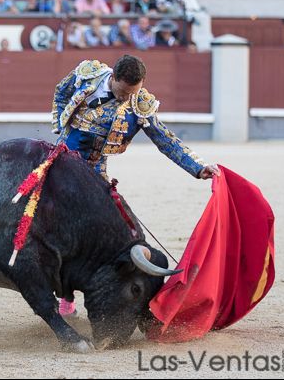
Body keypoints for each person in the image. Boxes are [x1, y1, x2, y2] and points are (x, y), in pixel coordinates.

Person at [51, 55, 219, 316]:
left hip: (95, 169)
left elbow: (166, 141)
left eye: (133, 92)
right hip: (61, 159)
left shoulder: (140, 105)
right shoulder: (89, 74)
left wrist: (198, 167)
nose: (126, 99)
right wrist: (59, 123)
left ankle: (78, 292)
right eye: (122, 92)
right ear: (114, 77)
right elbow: (61, 91)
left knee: (98, 230)